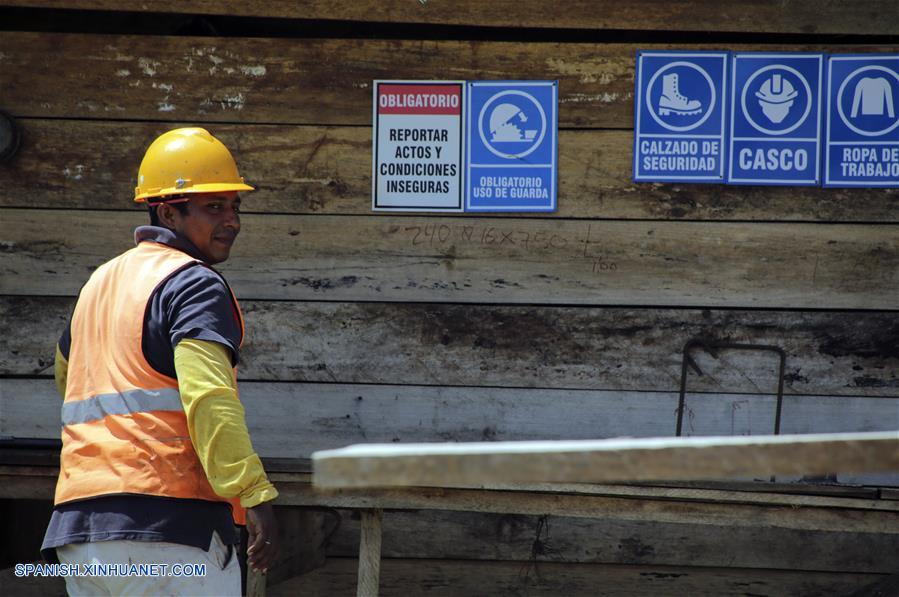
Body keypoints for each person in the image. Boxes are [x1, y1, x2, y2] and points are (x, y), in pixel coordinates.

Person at [41, 127, 279, 596]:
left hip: (82, 537)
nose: (232, 220)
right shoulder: (193, 284)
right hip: (172, 533)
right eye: (214, 207)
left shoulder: (98, 285)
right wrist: (254, 495)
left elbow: (69, 382)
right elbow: (209, 397)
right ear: (168, 211)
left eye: (235, 206)